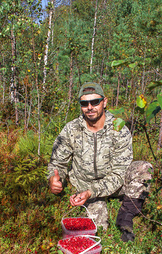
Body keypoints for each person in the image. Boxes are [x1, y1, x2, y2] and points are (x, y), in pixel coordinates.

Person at [48, 82, 153, 242]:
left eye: (95, 102)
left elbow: (119, 172)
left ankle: (126, 217)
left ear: (104, 102)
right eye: (84, 103)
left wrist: (93, 191)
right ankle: (99, 208)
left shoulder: (119, 129)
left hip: (115, 184)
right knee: (96, 231)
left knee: (144, 168)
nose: (89, 107)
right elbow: (57, 161)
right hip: (85, 186)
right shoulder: (72, 129)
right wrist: (55, 179)